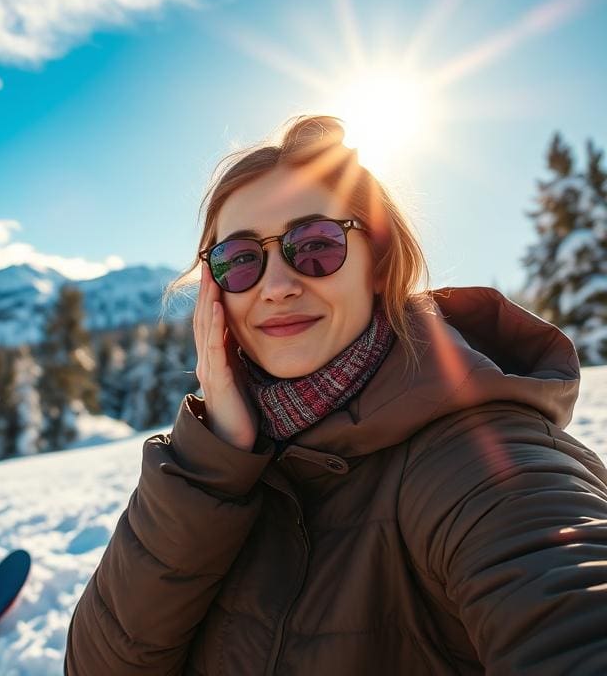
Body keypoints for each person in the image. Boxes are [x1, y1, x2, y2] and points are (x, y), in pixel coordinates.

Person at [65, 115, 607, 675]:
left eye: (316, 246)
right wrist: (212, 458)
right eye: (240, 260)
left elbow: (564, 593)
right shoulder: (230, 458)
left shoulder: (476, 455)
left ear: (377, 262)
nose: (277, 286)